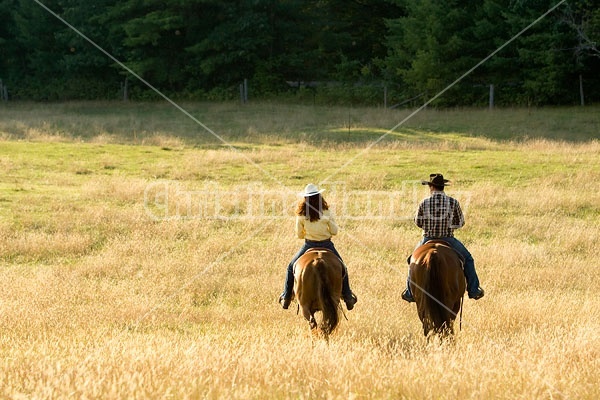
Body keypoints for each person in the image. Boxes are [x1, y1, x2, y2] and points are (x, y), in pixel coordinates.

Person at [402, 173, 484, 302]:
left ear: (431, 186)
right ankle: (474, 290)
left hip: (427, 239)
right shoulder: (453, 202)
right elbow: (460, 223)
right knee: (468, 259)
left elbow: (418, 222)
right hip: (448, 239)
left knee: (412, 260)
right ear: (442, 187)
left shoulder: (424, 202)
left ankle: (409, 292)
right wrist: (449, 226)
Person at [279, 183, 358, 310]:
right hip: (327, 244)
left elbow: (299, 234)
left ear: (306, 198)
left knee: (290, 267)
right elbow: (334, 231)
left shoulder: (301, 214)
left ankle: (286, 297)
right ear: (319, 197)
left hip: (309, 244)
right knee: (343, 267)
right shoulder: (327, 211)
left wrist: (308, 232)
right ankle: (348, 297)